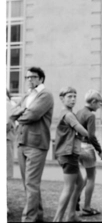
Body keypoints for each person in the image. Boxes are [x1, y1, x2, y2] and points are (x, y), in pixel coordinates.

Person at [10, 67, 54, 222]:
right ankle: (38, 216)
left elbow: (32, 114)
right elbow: (15, 109)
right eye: (27, 77)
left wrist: (16, 117)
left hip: (36, 144)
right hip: (22, 142)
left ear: (41, 79)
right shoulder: (28, 94)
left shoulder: (45, 94)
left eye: (33, 77)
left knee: (31, 183)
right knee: (29, 184)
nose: (29, 79)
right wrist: (20, 111)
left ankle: (28, 219)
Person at [53, 87, 89, 222]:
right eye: (69, 96)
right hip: (68, 154)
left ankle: (71, 215)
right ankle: (58, 219)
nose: (73, 99)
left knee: (80, 182)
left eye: (74, 96)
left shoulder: (66, 113)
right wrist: (86, 133)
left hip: (68, 154)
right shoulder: (68, 114)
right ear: (62, 99)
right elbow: (83, 131)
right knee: (68, 187)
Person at [76, 89, 102, 216]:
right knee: (91, 178)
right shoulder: (90, 115)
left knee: (84, 177)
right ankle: (87, 207)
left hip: (77, 147)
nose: (99, 107)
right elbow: (91, 136)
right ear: (93, 102)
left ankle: (76, 199)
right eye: (99, 104)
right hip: (87, 149)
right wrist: (100, 151)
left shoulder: (79, 112)